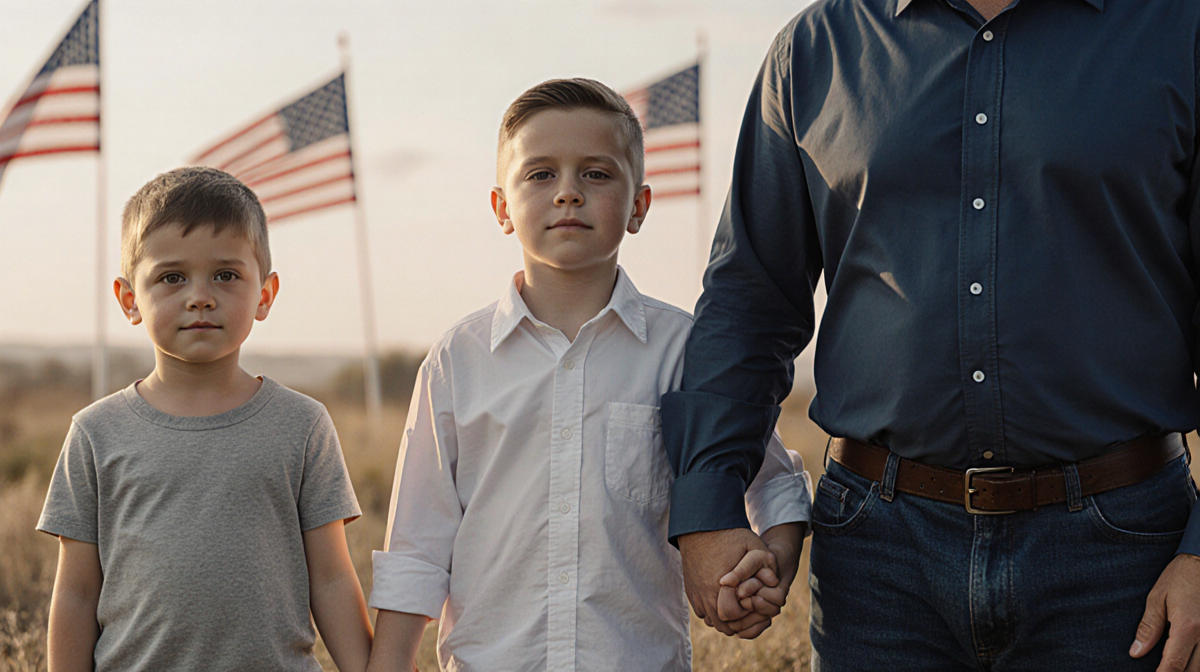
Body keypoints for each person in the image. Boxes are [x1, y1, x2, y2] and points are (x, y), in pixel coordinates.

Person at [663, 0, 1200, 670]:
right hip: (879, 559)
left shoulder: (1177, 29)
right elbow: (748, 303)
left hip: (1123, 554)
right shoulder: (814, 50)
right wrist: (711, 505)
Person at [363, 78, 812, 672]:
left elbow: (774, 482)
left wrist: (768, 565)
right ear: (501, 208)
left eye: (596, 174)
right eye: (540, 174)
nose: (568, 193)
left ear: (638, 207)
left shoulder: (685, 351)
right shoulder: (457, 361)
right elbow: (416, 549)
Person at [37, 167, 373, 672]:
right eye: (172, 277)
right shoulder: (95, 433)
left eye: (226, 274)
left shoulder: (302, 425)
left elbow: (330, 578)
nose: (200, 296)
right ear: (130, 299)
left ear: (264, 294)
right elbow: (77, 593)